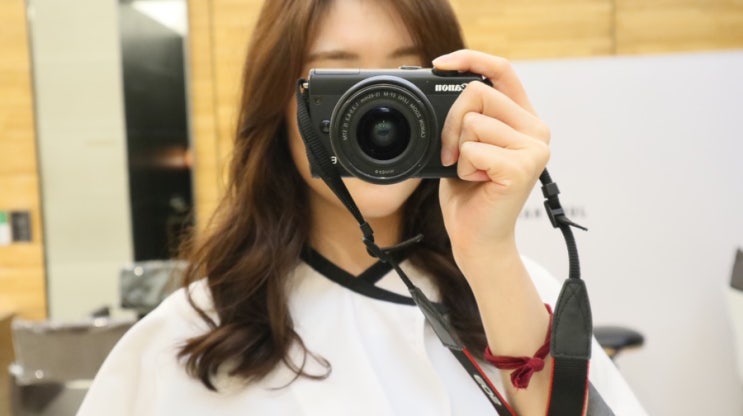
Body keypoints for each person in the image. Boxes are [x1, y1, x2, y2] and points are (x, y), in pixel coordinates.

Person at [78, 0, 647, 415]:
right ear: (279, 105)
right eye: (341, 80)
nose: (381, 111)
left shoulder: (522, 294)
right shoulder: (188, 334)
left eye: (408, 77)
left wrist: (490, 256)